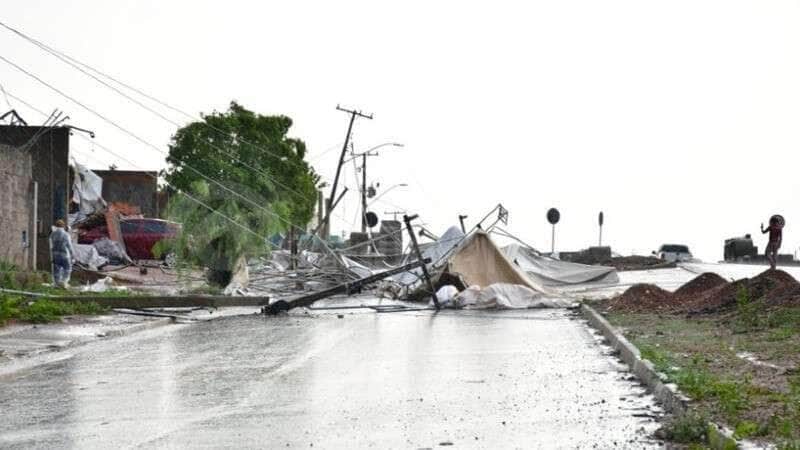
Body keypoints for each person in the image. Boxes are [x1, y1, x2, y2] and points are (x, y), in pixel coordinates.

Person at [49, 219, 75, 288]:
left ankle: (57, 283)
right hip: (64, 255)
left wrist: (51, 255)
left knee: (56, 270)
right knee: (67, 268)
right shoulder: (66, 235)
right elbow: (69, 246)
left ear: (56, 225)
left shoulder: (52, 234)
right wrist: (73, 256)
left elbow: (51, 246)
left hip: (55, 255)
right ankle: (64, 282)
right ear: (63, 226)